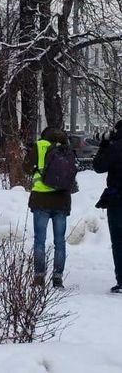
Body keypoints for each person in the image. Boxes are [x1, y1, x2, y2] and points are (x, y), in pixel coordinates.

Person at [23, 127, 72, 288]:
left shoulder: (40, 145)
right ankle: (57, 277)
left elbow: (26, 168)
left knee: (40, 241)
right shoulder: (66, 147)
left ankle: (39, 277)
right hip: (61, 200)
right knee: (60, 241)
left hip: (41, 200)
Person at [93, 120, 122, 293]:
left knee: (118, 241)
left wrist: (104, 145)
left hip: (117, 199)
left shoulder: (115, 147)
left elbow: (98, 166)